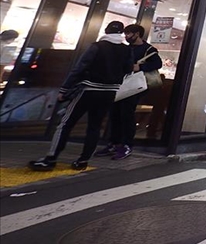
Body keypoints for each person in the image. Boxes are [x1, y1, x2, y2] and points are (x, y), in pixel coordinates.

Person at [29, 21, 132, 171]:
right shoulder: (126, 50)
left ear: (106, 31)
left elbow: (79, 68)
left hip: (89, 89)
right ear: (121, 33)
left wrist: (65, 89)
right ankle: (83, 161)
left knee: (66, 123)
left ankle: (50, 158)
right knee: (94, 127)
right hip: (109, 92)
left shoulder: (97, 46)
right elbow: (128, 69)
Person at [96, 24, 162, 161]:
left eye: (129, 34)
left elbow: (158, 63)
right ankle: (114, 143)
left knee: (127, 114)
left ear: (137, 34)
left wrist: (141, 67)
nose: (126, 36)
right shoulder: (125, 48)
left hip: (134, 86)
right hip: (120, 84)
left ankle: (126, 145)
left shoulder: (148, 49)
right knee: (115, 114)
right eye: (125, 34)